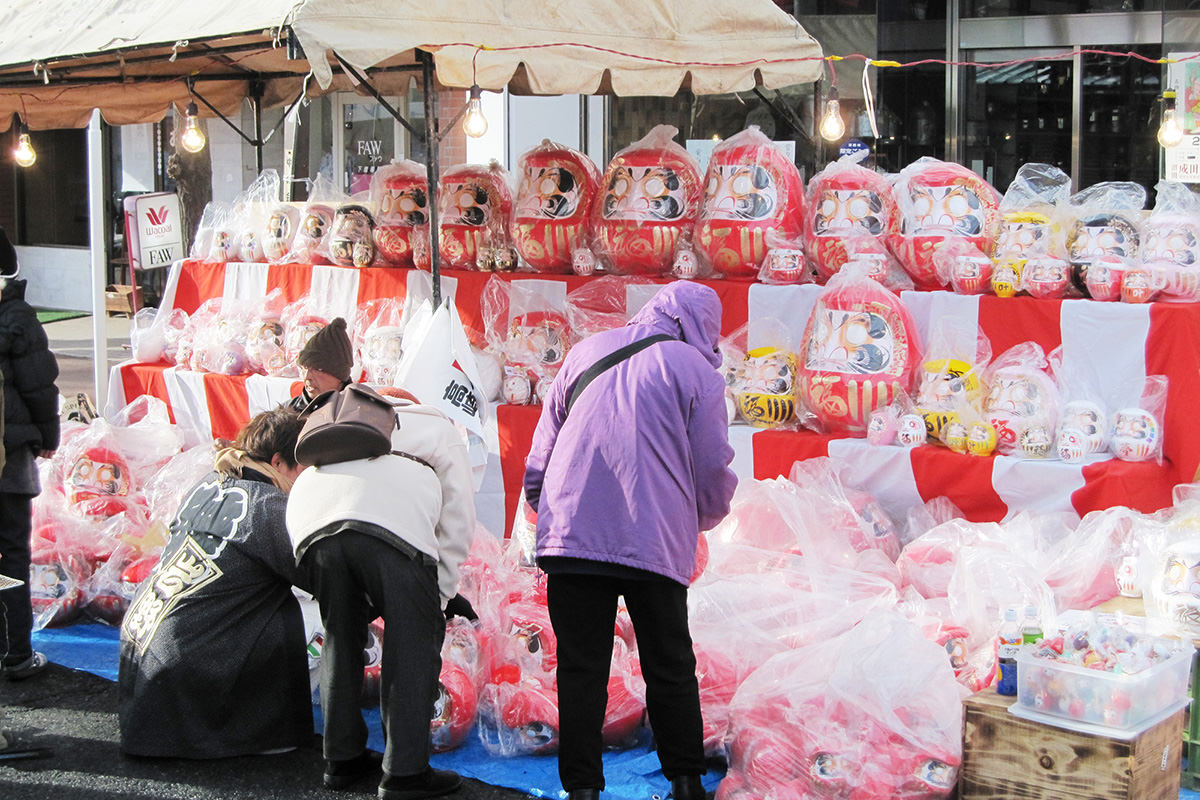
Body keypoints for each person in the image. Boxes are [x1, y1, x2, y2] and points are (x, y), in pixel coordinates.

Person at [523, 281, 737, 800]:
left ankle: (581, 790)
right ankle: (686, 781)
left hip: (572, 535)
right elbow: (712, 468)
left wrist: (546, 507)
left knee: (580, 669)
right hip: (653, 537)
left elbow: (542, 452)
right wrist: (700, 519)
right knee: (668, 663)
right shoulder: (695, 372)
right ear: (701, 326)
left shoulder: (584, 351)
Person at [286, 390, 475, 799]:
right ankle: (405, 774)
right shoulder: (440, 427)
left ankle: (341, 758)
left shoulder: (343, 422)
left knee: (341, 634)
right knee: (411, 643)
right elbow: (459, 514)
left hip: (309, 513)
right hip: (392, 517)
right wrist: (440, 596)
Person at [118, 408, 313, 758]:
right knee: (289, 610)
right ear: (279, 461)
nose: (307, 478)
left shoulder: (208, 482)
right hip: (185, 672)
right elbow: (317, 577)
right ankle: (266, 731)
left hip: (142, 663)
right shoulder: (269, 506)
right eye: (303, 467)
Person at [0, 226, 60, 681]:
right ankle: (16, 652)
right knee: (11, 554)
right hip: (10, 454)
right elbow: (40, 387)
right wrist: (47, 437)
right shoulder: (16, 316)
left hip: (11, 446)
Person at [288, 316, 354, 411]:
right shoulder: (288, 414)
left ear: (340, 376)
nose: (307, 377)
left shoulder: (359, 413)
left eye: (317, 369)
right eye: (304, 368)